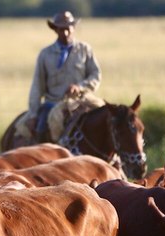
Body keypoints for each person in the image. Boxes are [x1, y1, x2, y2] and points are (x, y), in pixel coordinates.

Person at [15, 11, 102, 143]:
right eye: (61, 29)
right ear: (55, 30)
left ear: (73, 28)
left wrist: (80, 87)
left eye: (68, 29)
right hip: (53, 102)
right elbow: (37, 86)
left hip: (81, 100)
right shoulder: (45, 54)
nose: (65, 33)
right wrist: (33, 113)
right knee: (41, 128)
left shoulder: (85, 50)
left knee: (105, 118)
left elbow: (95, 75)